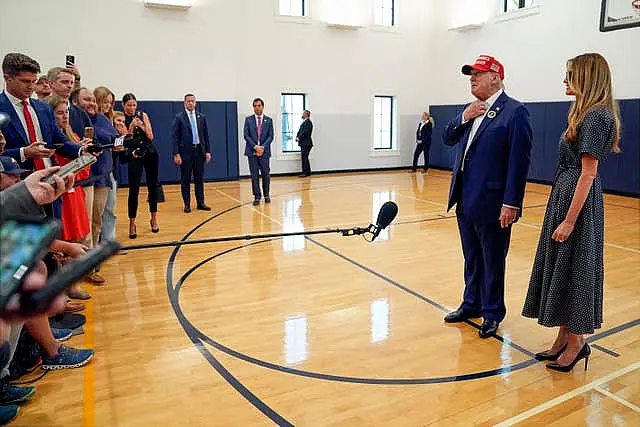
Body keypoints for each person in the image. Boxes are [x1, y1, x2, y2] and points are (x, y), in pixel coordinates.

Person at [522, 53, 621, 372]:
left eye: (570, 74)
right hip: (565, 194)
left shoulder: (596, 117)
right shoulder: (584, 113)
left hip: (578, 202)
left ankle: (577, 341)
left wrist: (568, 220)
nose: (565, 79)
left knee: (576, 265)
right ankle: (564, 337)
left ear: (588, 78)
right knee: (563, 265)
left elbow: (588, 174)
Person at [442, 55, 532, 338]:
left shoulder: (514, 112)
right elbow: (447, 137)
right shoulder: (471, 110)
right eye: (471, 74)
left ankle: (492, 312)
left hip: (494, 203)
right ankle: (471, 304)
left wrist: (511, 202)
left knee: (493, 260)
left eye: (478, 74)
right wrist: (463, 116)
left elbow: (519, 161)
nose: (472, 78)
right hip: (465, 198)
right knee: (472, 257)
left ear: (495, 77)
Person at [122, 93, 159, 238]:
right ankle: (132, 223)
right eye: (129, 105)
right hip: (134, 154)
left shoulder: (142, 115)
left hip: (150, 152)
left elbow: (151, 136)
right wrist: (131, 127)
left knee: (152, 186)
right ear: (124, 105)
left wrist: (142, 126)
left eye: (134, 105)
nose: (132, 108)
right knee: (134, 189)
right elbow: (124, 140)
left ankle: (154, 218)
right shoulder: (120, 118)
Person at [172, 93, 212, 212]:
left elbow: (206, 136)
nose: (191, 103)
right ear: (185, 103)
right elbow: (175, 137)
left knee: (199, 179)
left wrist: (208, 151)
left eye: (192, 101)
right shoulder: (179, 118)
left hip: (199, 151)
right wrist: (176, 153)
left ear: (195, 103)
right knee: (185, 179)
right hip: (185, 153)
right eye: (188, 101)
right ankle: (187, 204)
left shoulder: (201, 117)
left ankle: (201, 202)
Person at [243, 98, 274, 205]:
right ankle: (257, 196)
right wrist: (256, 147)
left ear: (263, 106)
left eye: (259, 105)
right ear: (253, 107)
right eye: (255, 106)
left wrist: (262, 147)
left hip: (264, 152)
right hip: (252, 152)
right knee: (254, 175)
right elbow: (246, 136)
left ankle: (266, 194)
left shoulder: (269, 120)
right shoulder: (248, 120)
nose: (257, 107)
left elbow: (271, 136)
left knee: (266, 174)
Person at [296, 110, 313, 177]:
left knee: (304, 158)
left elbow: (305, 132)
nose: (302, 114)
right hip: (305, 143)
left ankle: (305, 173)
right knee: (305, 158)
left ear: (306, 114)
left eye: (303, 113)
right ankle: (307, 172)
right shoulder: (306, 122)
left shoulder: (308, 122)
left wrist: (299, 138)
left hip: (306, 143)